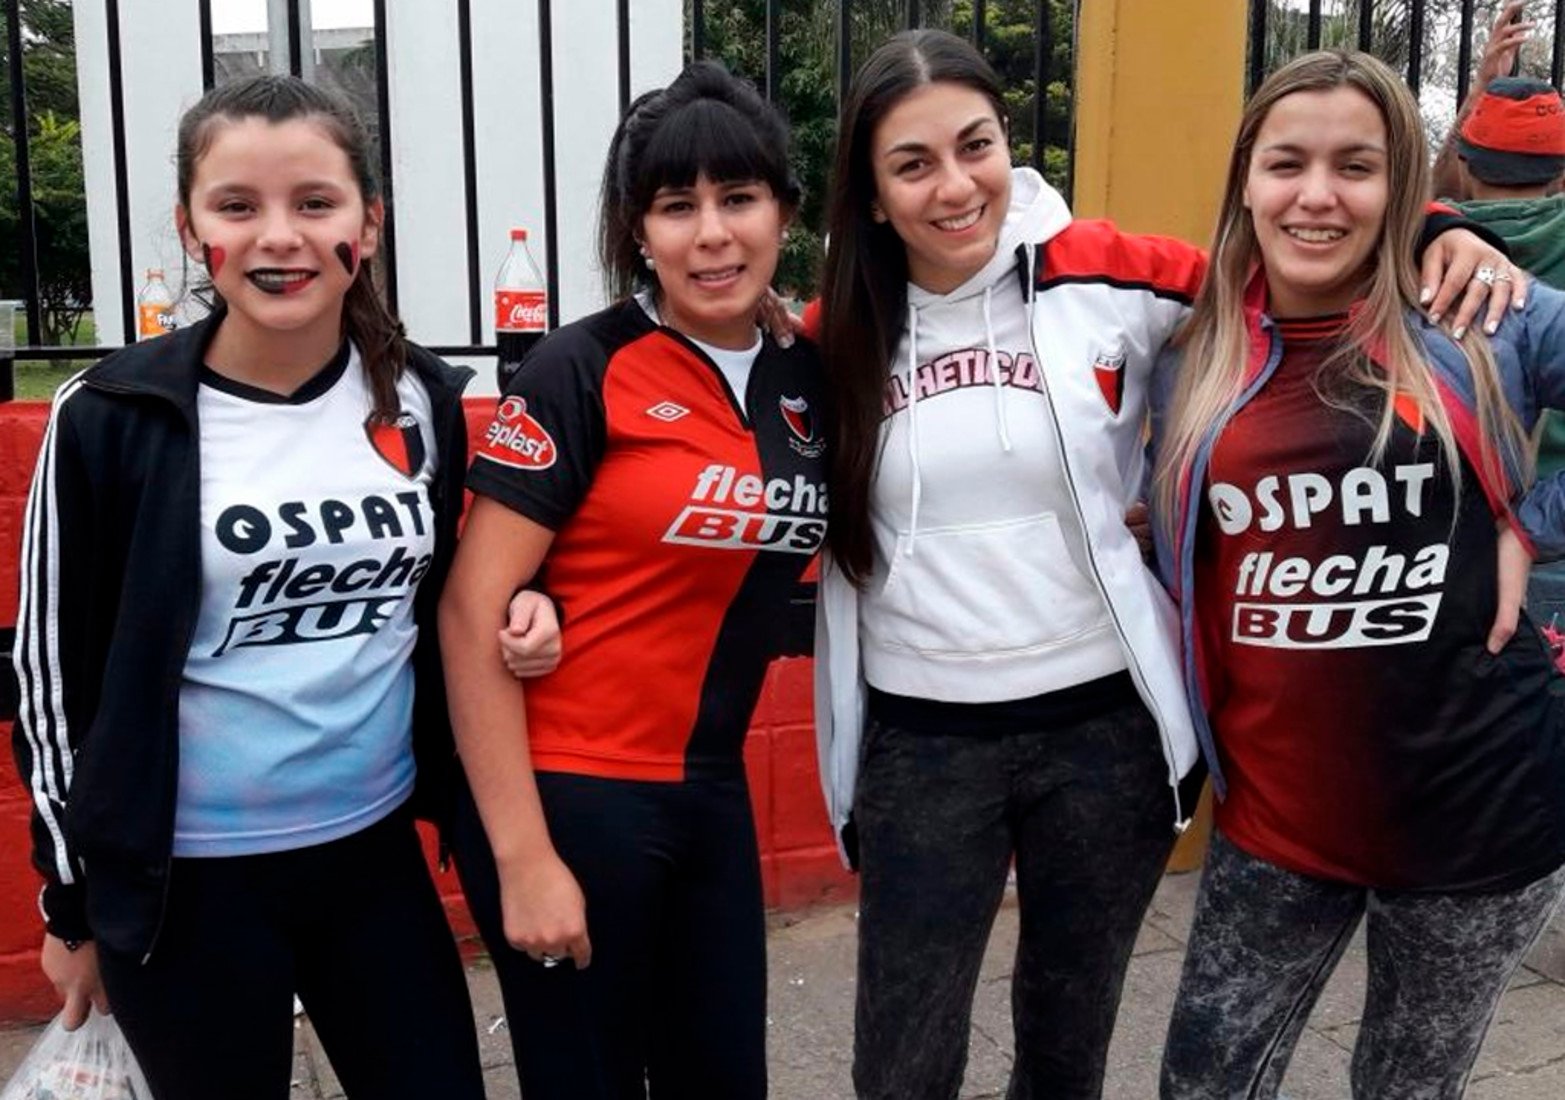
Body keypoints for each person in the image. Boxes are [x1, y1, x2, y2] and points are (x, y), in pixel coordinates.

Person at [811, 28, 1521, 1100]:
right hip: (921, 743)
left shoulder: (1111, 272)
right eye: (912, 164)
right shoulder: (833, 334)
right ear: (870, 194)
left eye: (975, 145)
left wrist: (1439, 225)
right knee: (901, 1059)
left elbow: (1293, 251)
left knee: (1066, 1042)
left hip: (1100, 734)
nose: (954, 186)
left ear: (1007, 145)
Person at [10, 76, 487, 1100]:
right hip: (185, 888)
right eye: (237, 206)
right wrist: (72, 904)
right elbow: (50, 680)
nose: (280, 236)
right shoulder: (111, 413)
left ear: (368, 222)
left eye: (316, 202)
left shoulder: (421, 398)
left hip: (372, 858)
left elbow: (449, 600)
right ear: (192, 231)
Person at [1152, 49, 1565, 1100]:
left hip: (1481, 816)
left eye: (1356, 166)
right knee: (1199, 1083)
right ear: (1246, 178)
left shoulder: (1482, 317)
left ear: (1399, 187)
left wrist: (1534, 526)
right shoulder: (1190, 347)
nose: (1317, 195)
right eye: (1286, 163)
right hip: (1273, 821)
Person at [439, 61, 823, 1099]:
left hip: (709, 792)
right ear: (637, 230)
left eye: (738, 198)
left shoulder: (808, 369)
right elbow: (472, 610)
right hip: (571, 789)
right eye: (675, 206)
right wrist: (522, 858)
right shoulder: (581, 366)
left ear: (783, 213)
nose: (712, 234)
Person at [1436, 2, 1565, 636]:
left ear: (1464, 164)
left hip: (1440, 544)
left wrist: (1479, 91)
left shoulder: (1426, 249)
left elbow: (1430, 190)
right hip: (1550, 533)